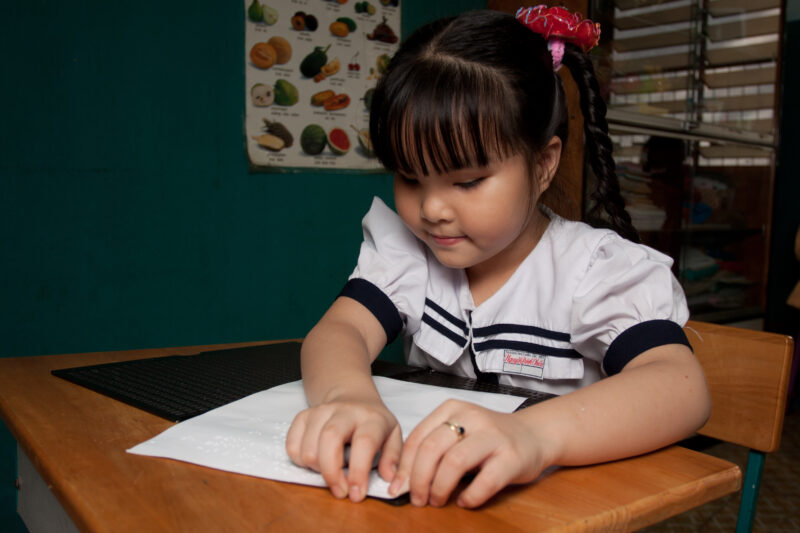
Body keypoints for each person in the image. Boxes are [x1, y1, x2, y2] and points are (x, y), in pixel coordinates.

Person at [285, 8, 711, 509]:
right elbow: (341, 332)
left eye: (466, 181)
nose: (432, 210)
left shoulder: (594, 271)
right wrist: (348, 398)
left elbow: (681, 388)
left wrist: (530, 436)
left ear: (544, 164)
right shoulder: (409, 254)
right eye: (409, 177)